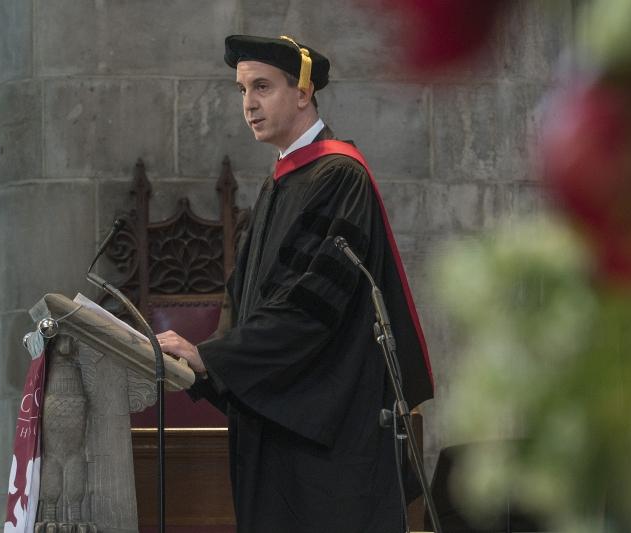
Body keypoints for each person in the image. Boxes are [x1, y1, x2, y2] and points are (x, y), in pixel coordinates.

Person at [156, 34, 434, 533]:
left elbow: (311, 308)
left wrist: (213, 358)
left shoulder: (339, 177)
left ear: (303, 93)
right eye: (241, 90)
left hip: (327, 439)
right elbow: (246, 306)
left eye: (262, 87)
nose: (249, 105)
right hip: (280, 422)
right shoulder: (279, 183)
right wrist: (204, 364)